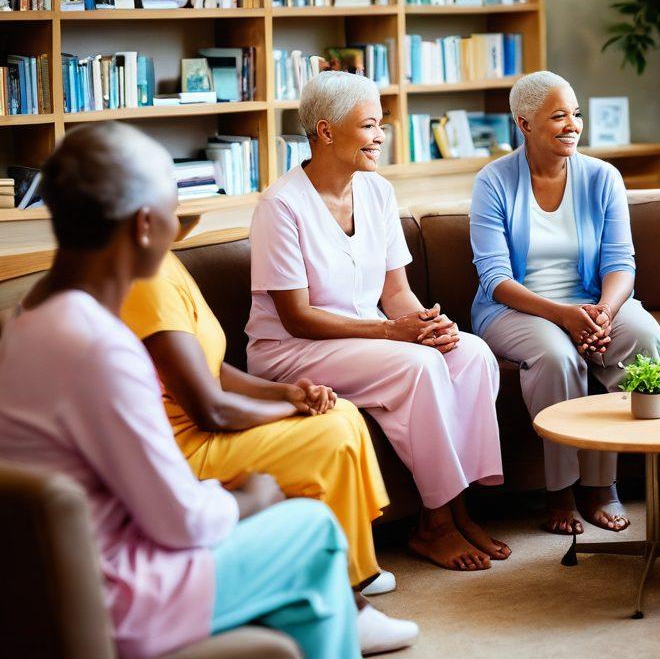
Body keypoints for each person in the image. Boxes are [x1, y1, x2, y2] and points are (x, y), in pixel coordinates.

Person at [0, 123, 359, 659]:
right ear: (146, 225)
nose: (177, 225)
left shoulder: (20, 329)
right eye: (174, 208)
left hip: (36, 591)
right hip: (118, 594)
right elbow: (182, 522)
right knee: (312, 529)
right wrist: (249, 497)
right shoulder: (102, 348)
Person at [245, 71, 507, 572]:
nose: (381, 136)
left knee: (470, 352)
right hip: (291, 352)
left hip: (364, 339)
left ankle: (461, 507)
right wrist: (395, 333)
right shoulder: (280, 207)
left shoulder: (378, 193)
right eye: (369, 126)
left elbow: (396, 293)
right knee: (419, 368)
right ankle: (436, 524)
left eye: (380, 124)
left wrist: (430, 325)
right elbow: (297, 318)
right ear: (326, 132)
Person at [119, 249, 419, 655]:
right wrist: (291, 406)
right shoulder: (145, 280)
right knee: (327, 434)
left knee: (342, 413)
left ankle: (352, 570)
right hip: (183, 448)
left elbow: (211, 367)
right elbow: (210, 411)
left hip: (203, 429)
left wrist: (289, 391)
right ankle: (347, 603)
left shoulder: (166, 262)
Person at [471, 70, 660, 535]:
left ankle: (602, 485)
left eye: (575, 114)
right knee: (557, 356)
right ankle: (559, 490)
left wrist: (602, 312)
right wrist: (564, 317)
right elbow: (495, 278)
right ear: (523, 123)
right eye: (558, 116)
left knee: (643, 338)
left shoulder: (602, 177)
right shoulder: (493, 182)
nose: (572, 125)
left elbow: (622, 263)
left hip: (591, 302)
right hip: (515, 309)